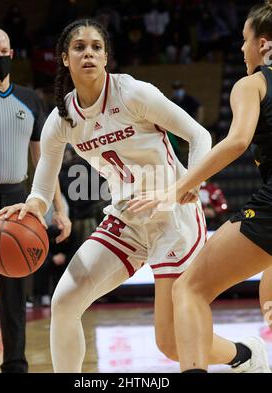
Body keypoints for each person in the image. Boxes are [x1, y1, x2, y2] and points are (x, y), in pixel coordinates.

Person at [0, 19, 268, 373]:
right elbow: (43, 189)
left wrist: (185, 190)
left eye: (96, 47)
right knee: (64, 302)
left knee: (168, 343)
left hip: (174, 218)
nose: (88, 53)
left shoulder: (132, 93)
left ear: (107, 57)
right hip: (126, 218)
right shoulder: (62, 118)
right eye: (79, 47)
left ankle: (244, 354)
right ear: (64, 58)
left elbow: (199, 135)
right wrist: (31, 207)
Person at [127, 1, 272, 373]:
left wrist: (178, 188)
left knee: (189, 289)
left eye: (245, 40)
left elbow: (237, 140)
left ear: (265, 44)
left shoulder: (252, 83)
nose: (242, 49)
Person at [0, 27, 71, 372]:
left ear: (12, 53)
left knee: (15, 289)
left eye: (3, 50)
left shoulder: (30, 99)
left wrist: (60, 207)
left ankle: (15, 365)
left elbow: (44, 160)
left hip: (17, 200)